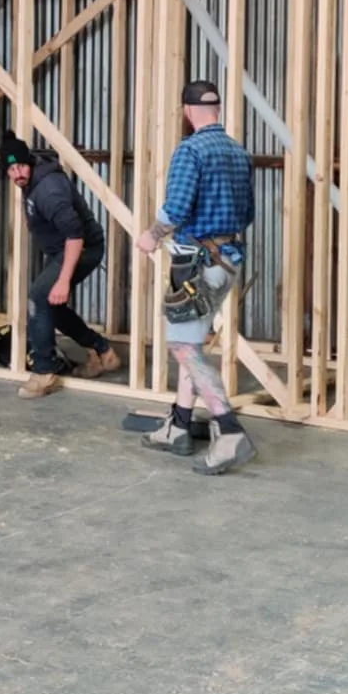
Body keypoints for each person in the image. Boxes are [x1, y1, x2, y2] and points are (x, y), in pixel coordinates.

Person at [129, 79, 257, 476]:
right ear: (216, 109)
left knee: (183, 348)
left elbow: (178, 207)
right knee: (192, 341)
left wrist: (151, 235)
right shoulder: (238, 152)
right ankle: (180, 426)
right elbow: (248, 213)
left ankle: (229, 429)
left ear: (187, 111)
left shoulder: (190, 150)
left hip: (196, 265)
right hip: (229, 261)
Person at [4, 134, 122, 398]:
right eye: (10, 170)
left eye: (20, 167)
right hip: (61, 249)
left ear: (30, 163)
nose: (16, 174)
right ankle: (102, 351)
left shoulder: (49, 190)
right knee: (51, 307)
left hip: (82, 248)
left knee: (39, 296)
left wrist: (63, 280)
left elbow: (76, 237)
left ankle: (44, 372)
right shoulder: (29, 181)